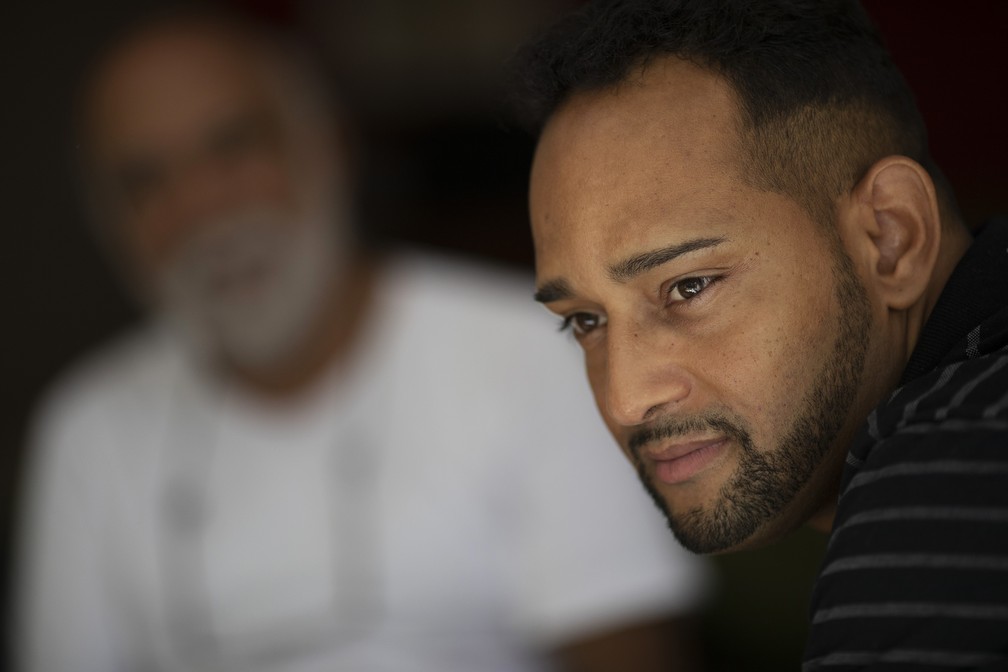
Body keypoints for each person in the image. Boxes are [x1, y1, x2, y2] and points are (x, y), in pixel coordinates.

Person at [13, 9, 709, 672]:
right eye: (146, 182)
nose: (201, 208)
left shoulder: (531, 355)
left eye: (232, 147)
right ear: (109, 222)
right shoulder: (88, 429)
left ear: (325, 145)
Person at [515, 0, 1008, 667]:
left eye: (688, 287)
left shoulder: (955, 460)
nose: (627, 397)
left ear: (892, 237)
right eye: (586, 320)